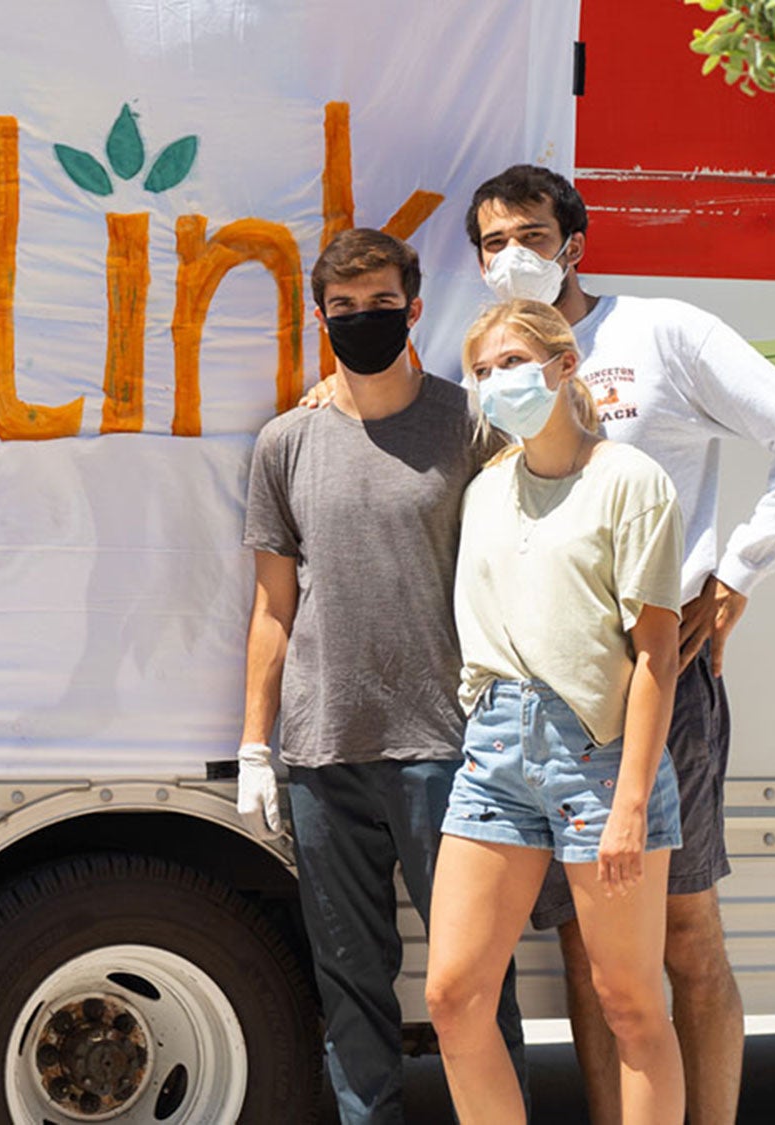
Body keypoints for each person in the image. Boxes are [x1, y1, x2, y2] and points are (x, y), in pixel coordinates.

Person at [466, 164, 775, 1124]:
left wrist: (733, 579)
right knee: (594, 956)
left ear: (575, 244)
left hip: (661, 678)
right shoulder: (486, 361)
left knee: (685, 936)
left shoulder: (661, 333)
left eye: (530, 234)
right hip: (545, 696)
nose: (512, 256)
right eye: (492, 242)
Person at [237, 228, 525, 1124]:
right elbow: (273, 607)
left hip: (450, 746)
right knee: (350, 979)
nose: (364, 320)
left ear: (415, 306)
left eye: (381, 303)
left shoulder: (470, 425)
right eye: (345, 308)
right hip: (326, 749)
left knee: (474, 981)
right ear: (321, 316)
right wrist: (256, 742)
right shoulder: (286, 441)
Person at [426, 299, 686, 1124]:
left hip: (599, 754)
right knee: (453, 995)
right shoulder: (485, 489)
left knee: (631, 1003)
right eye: (481, 371)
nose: (495, 383)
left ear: (564, 366)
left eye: (511, 362)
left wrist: (631, 803)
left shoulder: (629, 480)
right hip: (496, 746)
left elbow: (654, 652)